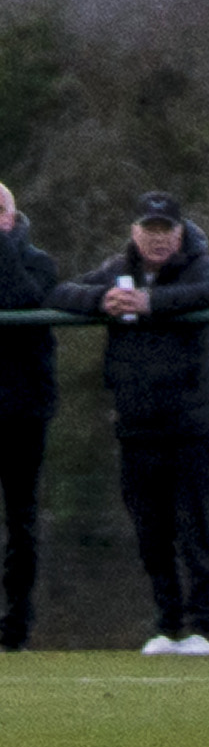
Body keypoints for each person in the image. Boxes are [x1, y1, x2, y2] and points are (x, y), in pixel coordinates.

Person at [66, 193, 209, 653]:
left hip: (190, 426)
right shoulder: (117, 269)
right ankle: (167, 626)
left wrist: (151, 302)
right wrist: (104, 299)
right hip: (136, 427)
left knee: (194, 528)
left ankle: (202, 628)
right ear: (135, 232)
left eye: (166, 230)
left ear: (179, 233)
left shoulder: (199, 267)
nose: (158, 239)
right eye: (149, 229)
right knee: (150, 533)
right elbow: (61, 293)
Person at [0, 179, 54, 651]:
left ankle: (15, 627)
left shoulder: (38, 263)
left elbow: (21, 298)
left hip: (22, 416)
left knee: (22, 522)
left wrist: (3, 245)